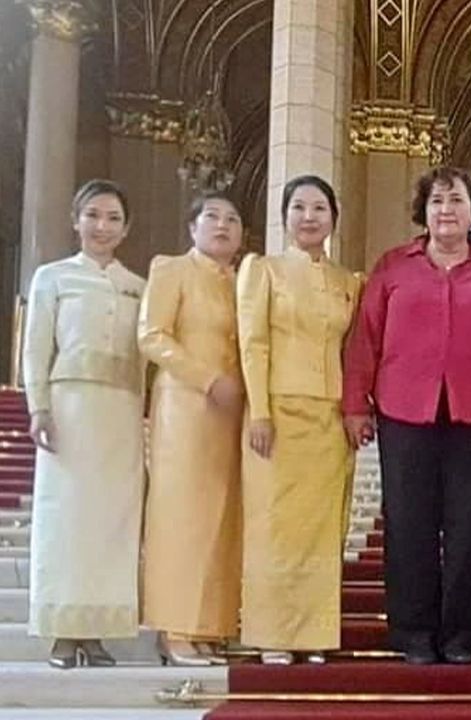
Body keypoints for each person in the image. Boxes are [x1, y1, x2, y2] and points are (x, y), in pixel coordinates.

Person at [343, 167, 471, 664]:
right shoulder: (392, 267)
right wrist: (354, 404)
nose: (446, 210)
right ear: (423, 212)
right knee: (409, 524)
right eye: (437, 202)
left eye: (456, 201)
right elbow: (364, 341)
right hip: (404, 414)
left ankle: (460, 636)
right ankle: (412, 633)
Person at [237, 175, 362, 664]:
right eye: (298, 208)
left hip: (329, 417)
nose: (309, 217)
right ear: (284, 216)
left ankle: (313, 634)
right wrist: (260, 410)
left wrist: (354, 409)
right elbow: (253, 343)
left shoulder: (348, 282)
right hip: (278, 413)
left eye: (319, 209)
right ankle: (272, 634)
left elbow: (355, 350)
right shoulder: (262, 270)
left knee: (321, 529)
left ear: (334, 218)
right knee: (275, 527)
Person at [22, 179, 147, 668]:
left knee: (113, 524)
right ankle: (61, 632)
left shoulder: (138, 286)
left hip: (121, 413)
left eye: (113, 217)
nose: (102, 226)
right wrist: (39, 407)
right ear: (76, 220)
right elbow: (36, 348)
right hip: (70, 409)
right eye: (93, 215)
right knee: (65, 519)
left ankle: (98, 632)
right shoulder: (52, 278)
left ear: (126, 227)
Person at [138, 192, 245, 665]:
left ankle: (210, 625)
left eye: (232, 219)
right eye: (212, 217)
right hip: (184, 408)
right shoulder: (172, 269)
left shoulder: (241, 282)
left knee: (222, 518)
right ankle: (174, 626)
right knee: (181, 517)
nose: (222, 225)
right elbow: (151, 335)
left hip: (231, 414)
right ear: (192, 227)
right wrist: (205, 379)